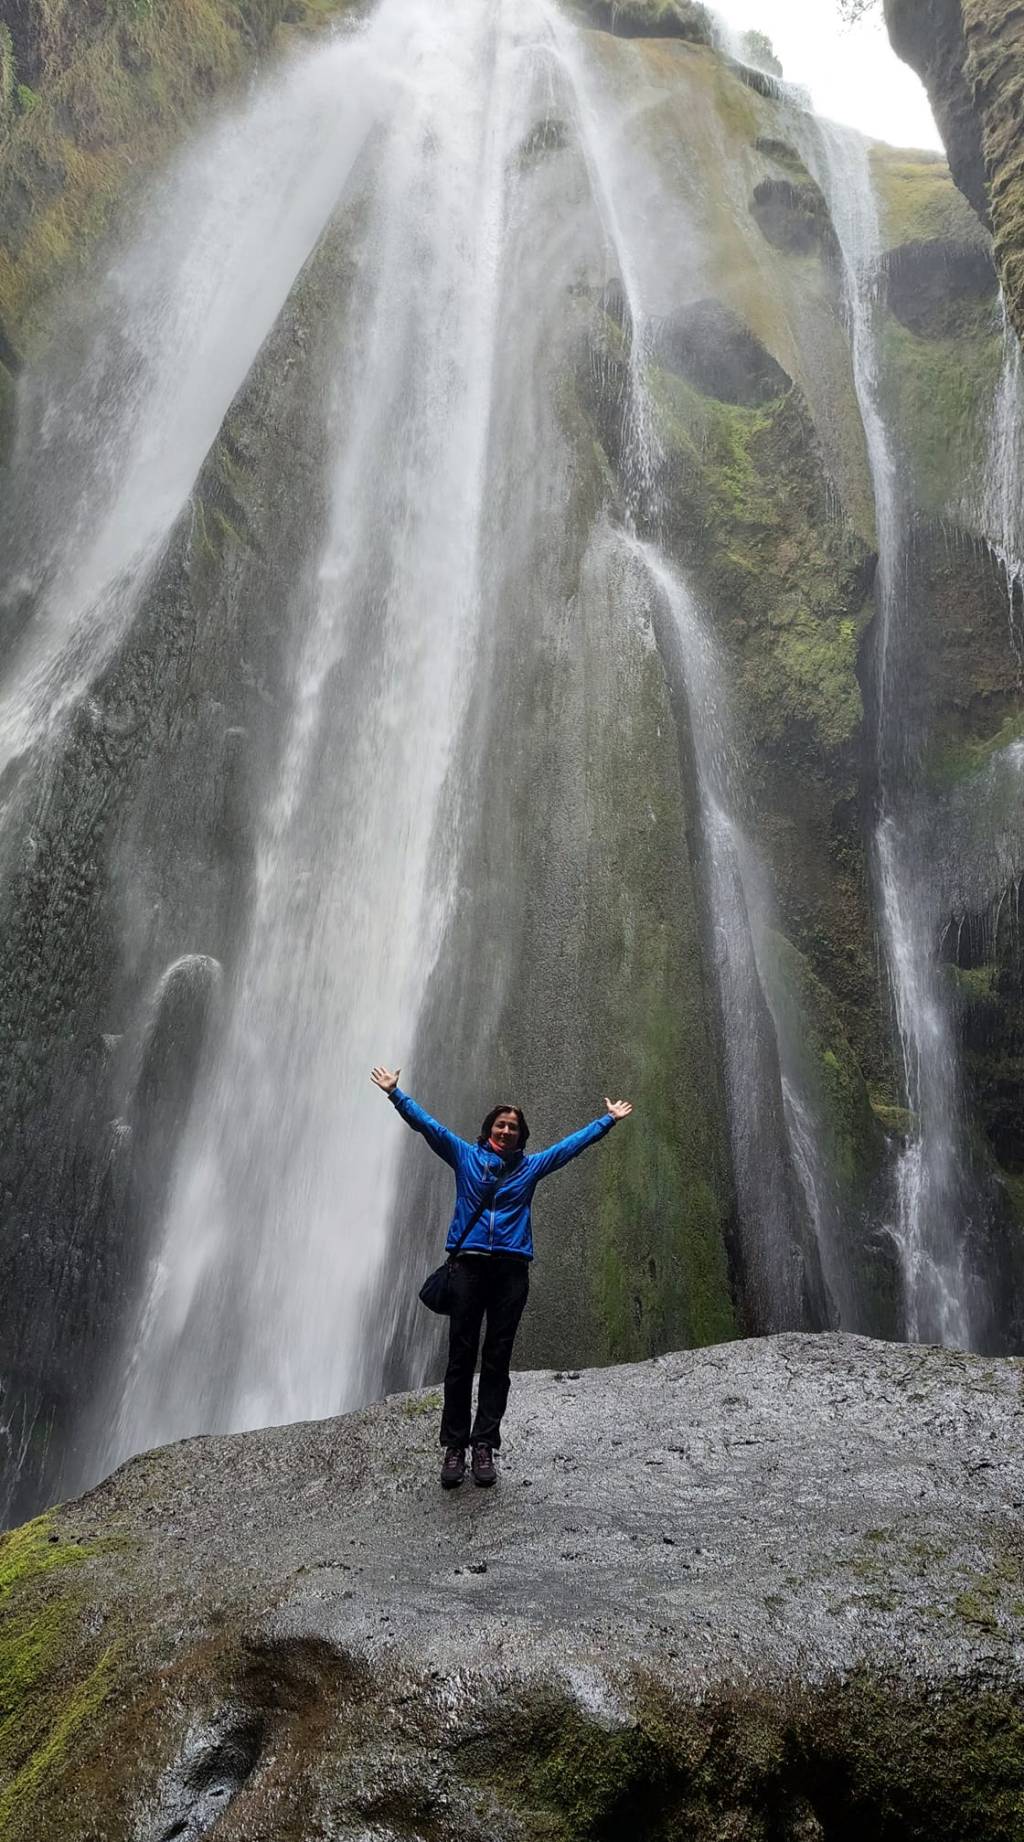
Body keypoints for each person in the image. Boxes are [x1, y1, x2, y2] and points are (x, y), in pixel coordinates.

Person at [371, 1065, 633, 1489]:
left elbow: (569, 1148)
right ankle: (454, 1447)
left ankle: (483, 1446)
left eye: (513, 1127)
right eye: (500, 1124)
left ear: (521, 1135)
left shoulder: (530, 1169)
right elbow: (429, 1128)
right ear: (488, 1130)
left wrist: (607, 1121)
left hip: (511, 1270)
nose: (507, 1131)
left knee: (497, 1360)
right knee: (460, 1359)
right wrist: (395, 1094)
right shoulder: (465, 1156)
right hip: (468, 1267)